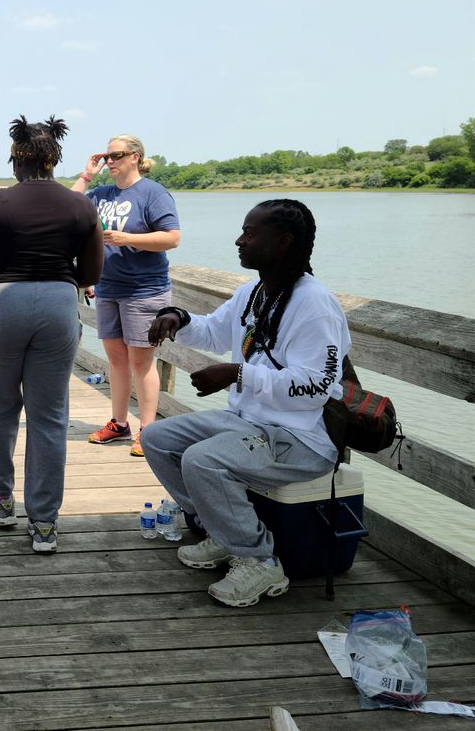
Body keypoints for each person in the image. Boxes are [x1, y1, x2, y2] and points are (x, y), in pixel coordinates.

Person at [145, 200, 347, 607]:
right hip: (249, 422)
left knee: (202, 459)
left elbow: (317, 386)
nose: (239, 240)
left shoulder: (314, 304)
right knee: (156, 438)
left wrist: (236, 374)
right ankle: (221, 532)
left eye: (250, 233)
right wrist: (178, 318)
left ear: (284, 242)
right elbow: (213, 332)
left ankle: (259, 561)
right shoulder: (254, 294)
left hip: (301, 438)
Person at [0, 116, 103, 553]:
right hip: (59, 305)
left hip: (3, 303)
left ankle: (2, 501)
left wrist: (8, 275)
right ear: (53, 159)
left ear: (16, 159)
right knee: (49, 416)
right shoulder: (83, 206)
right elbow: (92, 273)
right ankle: (44, 523)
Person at [71, 135, 180, 457]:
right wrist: (86, 175)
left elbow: (172, 238)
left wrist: (126, 238)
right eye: (106, 156)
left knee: (141, 361)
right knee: (116, 360)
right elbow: (65, 209)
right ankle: (119, 423)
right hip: (108, 289)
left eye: (116, 155)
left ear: (135, 157)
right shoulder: (100, 194)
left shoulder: (153, 193)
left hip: (144, 290)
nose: (110, 161)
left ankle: (148, 430)